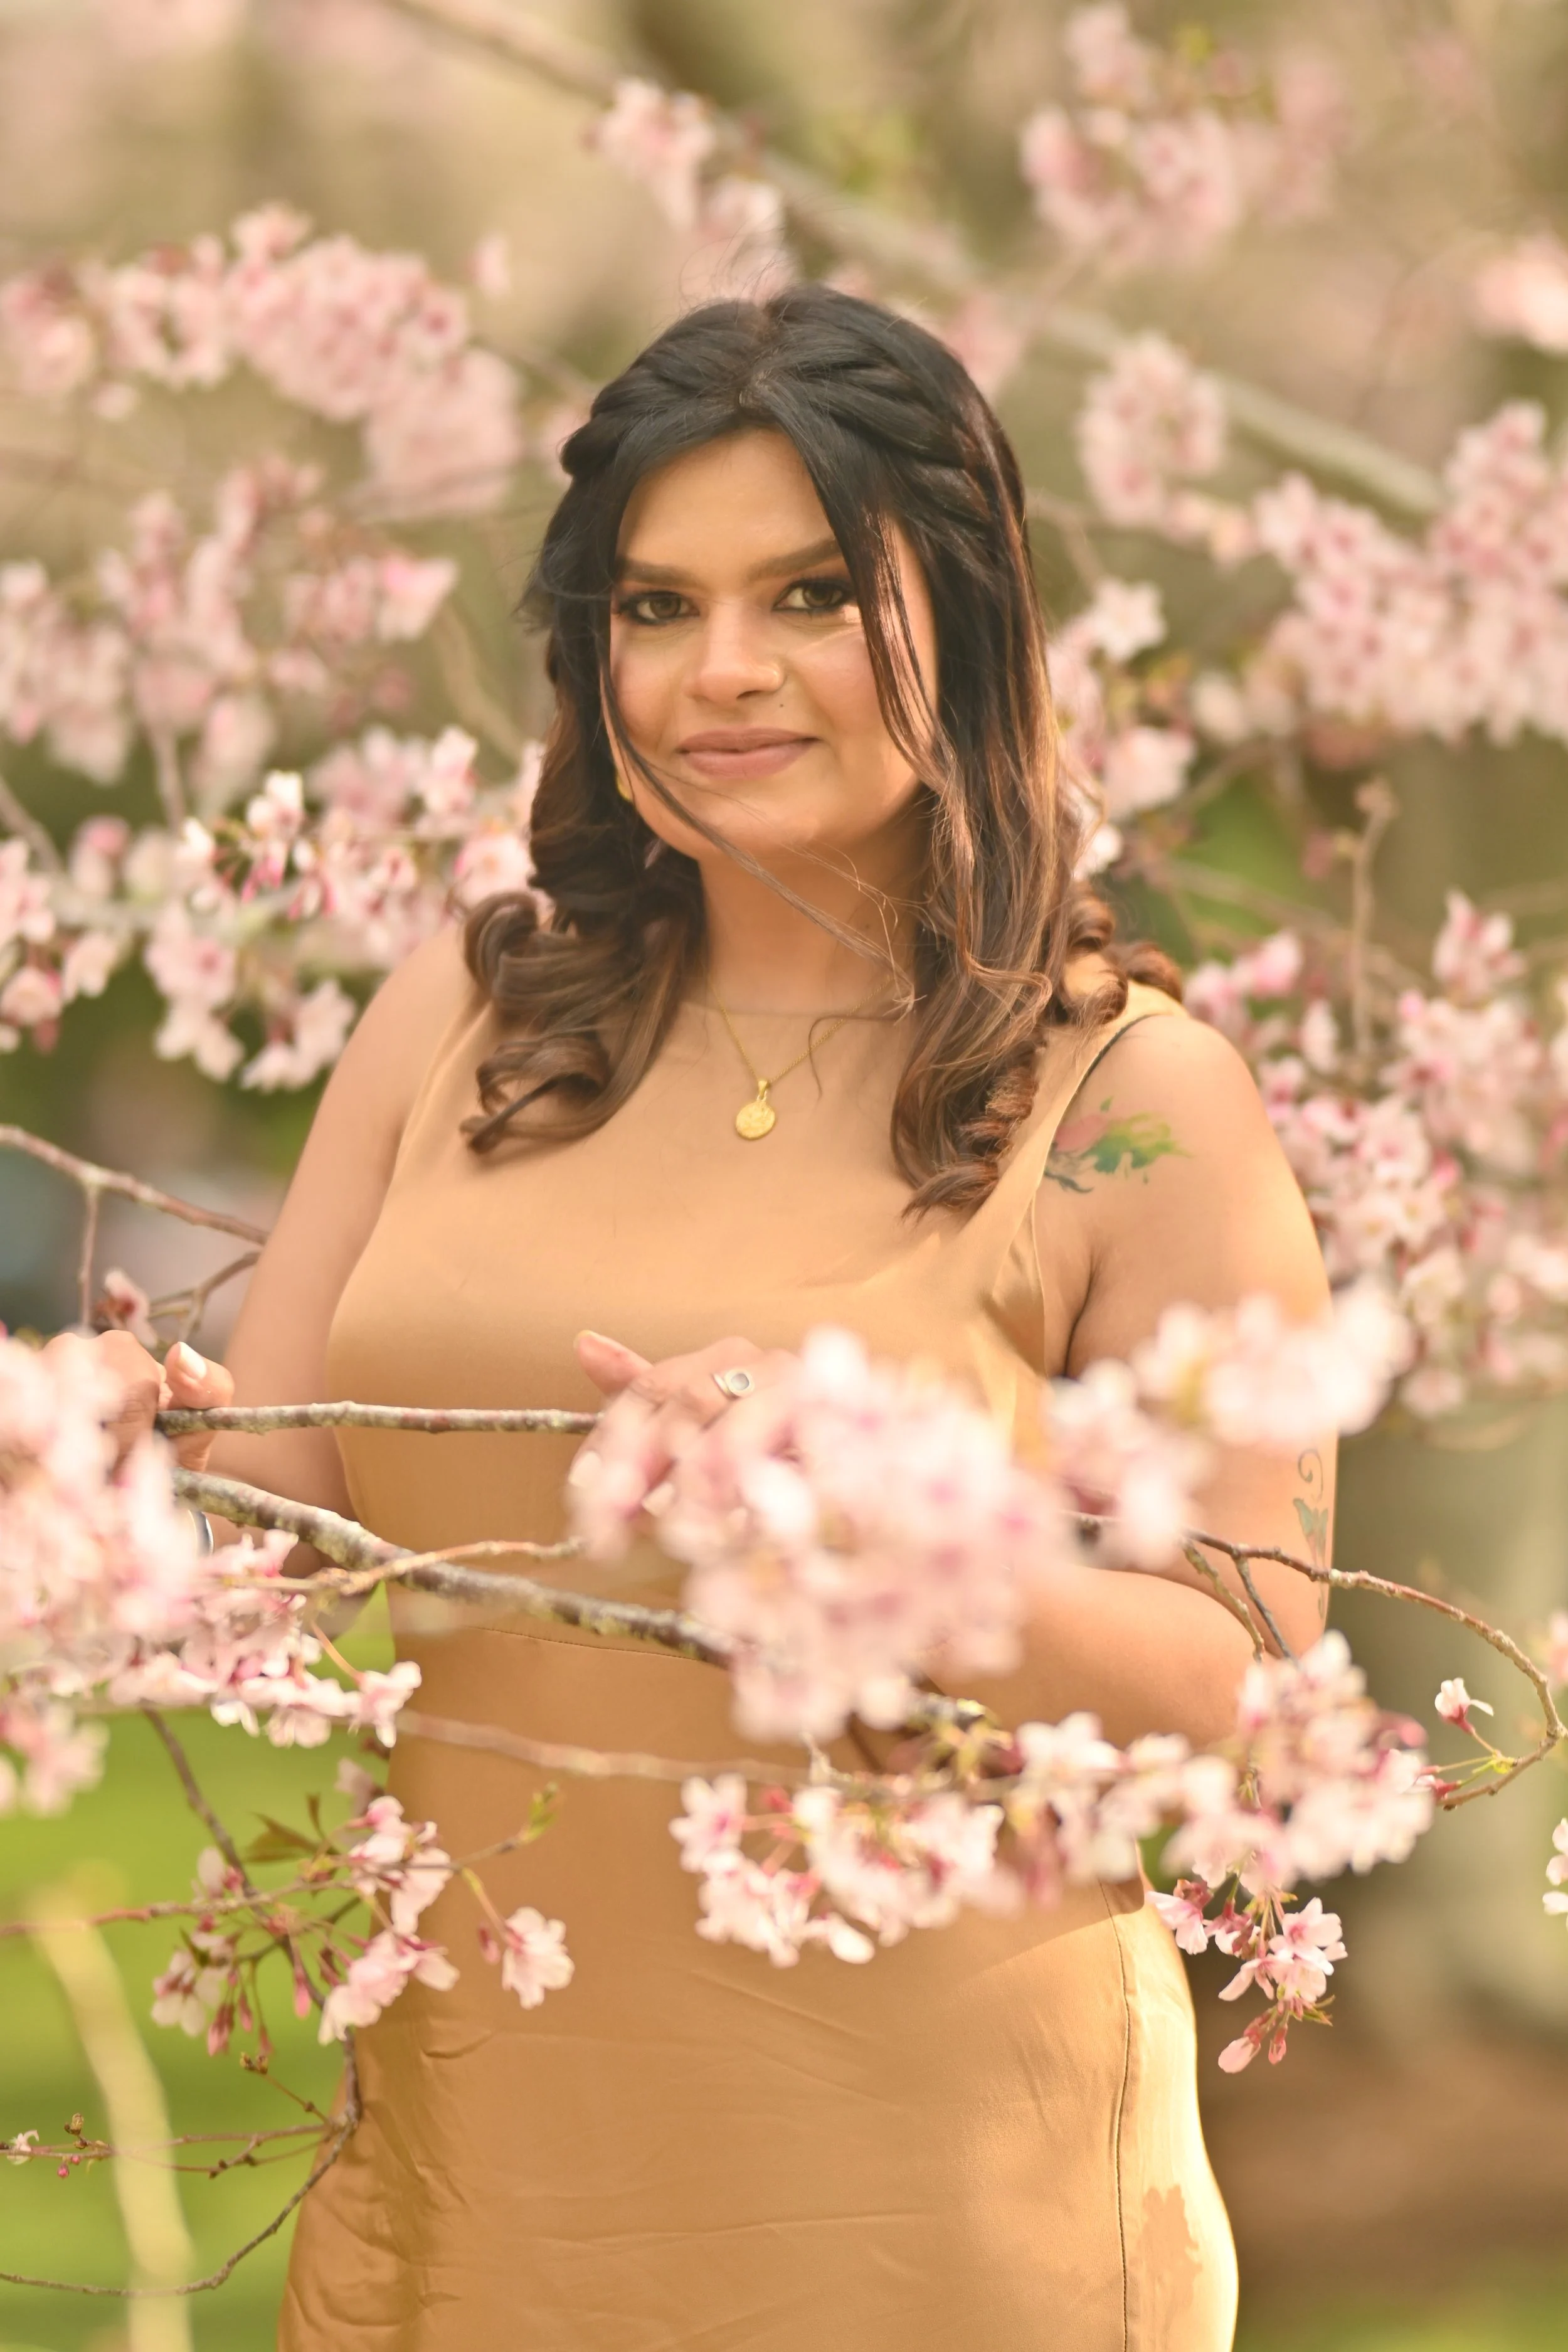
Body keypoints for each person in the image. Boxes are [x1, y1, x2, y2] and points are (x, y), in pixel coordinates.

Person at [68, 285, 1331, 2350]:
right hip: (484, 2189)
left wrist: (894, 1538)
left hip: (945, 2213)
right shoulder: (462, 1015)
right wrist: (114, 1442)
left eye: (814, 593)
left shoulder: (1123, 1106)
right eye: (655, 607)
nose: (719, 672)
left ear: (972, 619)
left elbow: (1255, 1673)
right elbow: (282, 1528)